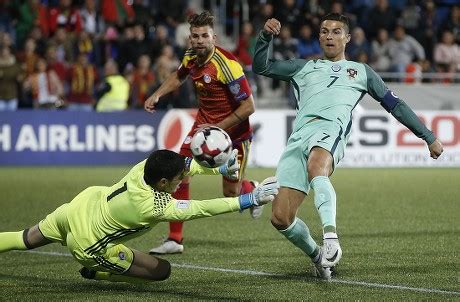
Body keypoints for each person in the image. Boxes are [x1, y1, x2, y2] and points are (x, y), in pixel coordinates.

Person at [252, 13, 444, 280]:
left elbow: (395, 105)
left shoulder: (362, 72)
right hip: (299, 137)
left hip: (330, 131)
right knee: (281, 218)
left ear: (347, 38)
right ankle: (318, 256)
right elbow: (261, 67)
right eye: (324, 31)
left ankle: (331, 238)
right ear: (319, 36)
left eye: (336, 31)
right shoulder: (303, 67)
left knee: (317, 167)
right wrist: (265, 37)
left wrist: (428, 136)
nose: (329, 36)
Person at [0, 149, 279, 283]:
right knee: (160, 272)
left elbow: (184, 166)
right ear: (162, 183)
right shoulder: (155, 207)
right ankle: (97, 271)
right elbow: (202, 208)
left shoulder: (143, 168)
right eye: (176, 180)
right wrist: (248, 199)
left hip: (78, 207)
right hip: (88, 243)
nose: (182, 182)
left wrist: (219, 171)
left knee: (25, 238)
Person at [144, 11, 261, 255]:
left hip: (233, 135)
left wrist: (219, 127)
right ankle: (175, 239)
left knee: (230, 192)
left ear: (214, 38)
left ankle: (251, 188)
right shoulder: (190, 56)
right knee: (179, 172)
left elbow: (249, 106)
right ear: (190, 38)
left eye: (204, 36)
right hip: (201, 129)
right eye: (195, 36)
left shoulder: (227, 65)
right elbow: (179, 76)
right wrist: (157, 93)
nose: (199, 40)